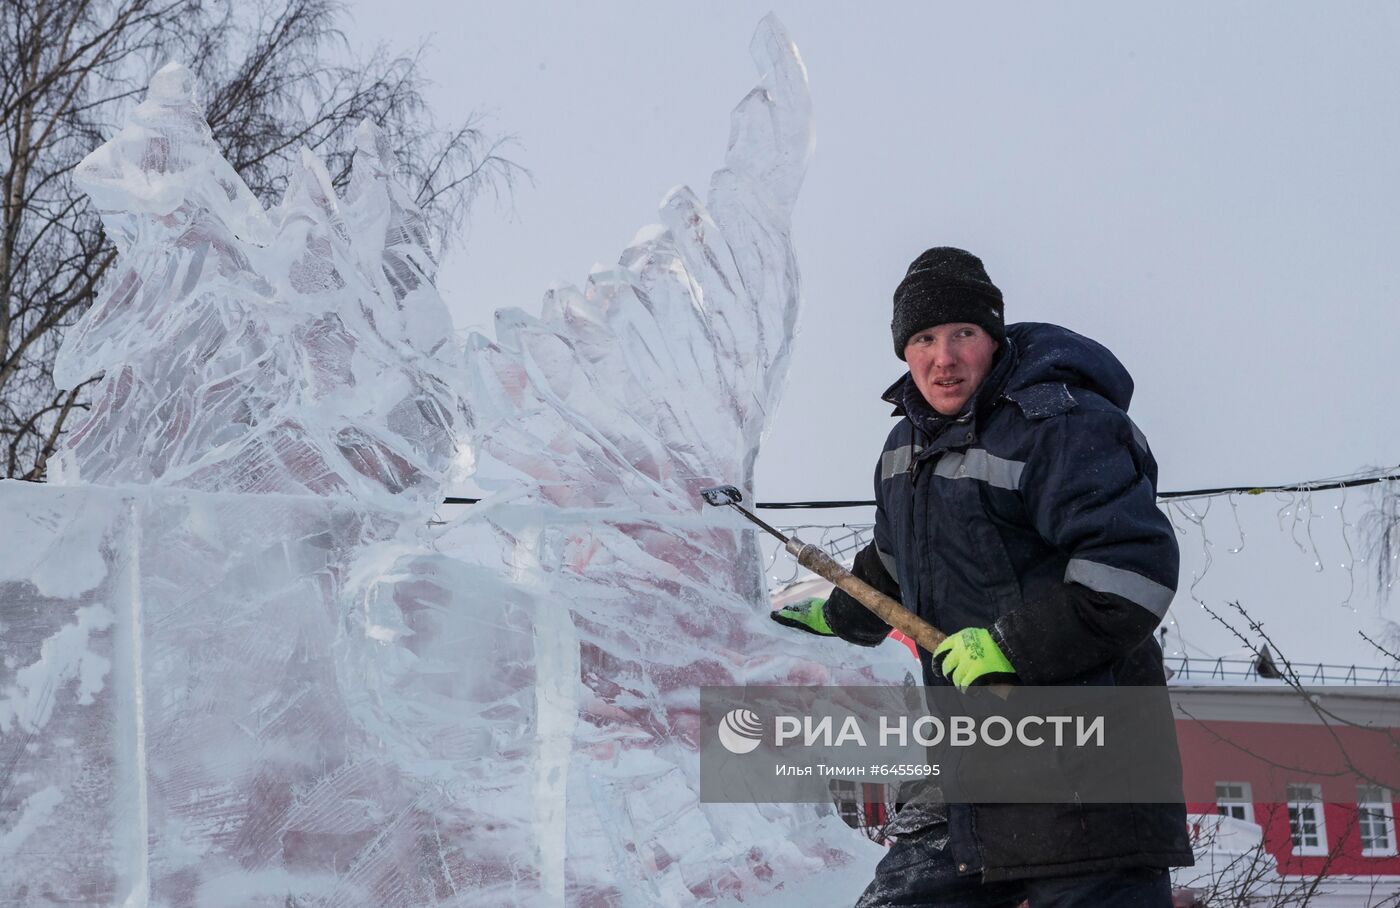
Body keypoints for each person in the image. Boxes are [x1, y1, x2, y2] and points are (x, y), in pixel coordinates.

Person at [771, 247, 1192, 906]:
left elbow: (1129, 571)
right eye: (925, 338)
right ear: (903, 353)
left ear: (991, 339)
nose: (945, 356)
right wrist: (836, 611)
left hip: (1086, 774)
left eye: (962, 334)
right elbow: (891, 562)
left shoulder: (1058, 423)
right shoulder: (901, 451)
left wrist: (1008, 646)